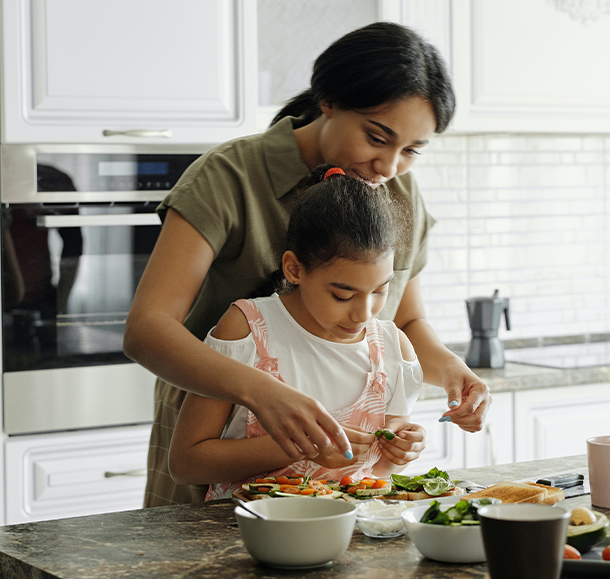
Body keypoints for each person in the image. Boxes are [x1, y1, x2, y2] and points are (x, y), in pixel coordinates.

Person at [124, 21, 493, 506]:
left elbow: (403, 319)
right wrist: (263, 393)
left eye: (411, 151)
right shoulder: (229, 176)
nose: (389, 166)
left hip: (337, 487)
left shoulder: (397, 191)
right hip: (217, 439)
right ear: (330, 101)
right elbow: (147, 329)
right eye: (377, 137)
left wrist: (449, 370)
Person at [169, 166, 424, 500]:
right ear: (294, 268)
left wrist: (400, 452)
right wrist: (298, 447)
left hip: (349, 535)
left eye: (380, 291)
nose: (364, 313)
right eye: (342, 295)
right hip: (247, 535)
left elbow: (376, 473)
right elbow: (186, 464)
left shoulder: (393, 349)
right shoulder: (247, 330)